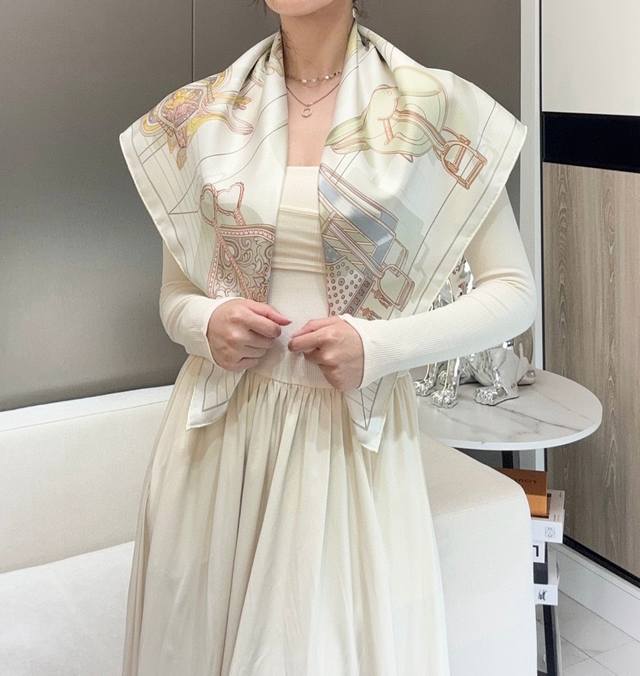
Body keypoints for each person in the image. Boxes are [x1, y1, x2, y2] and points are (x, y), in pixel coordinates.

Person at [120, 1, 537, 674]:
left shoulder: (434, 109)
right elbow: (175, 296)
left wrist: (380, 347)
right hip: (217, 441)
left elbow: (513, 294)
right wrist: (205, 324)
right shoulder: (207, 116)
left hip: (346, 444)